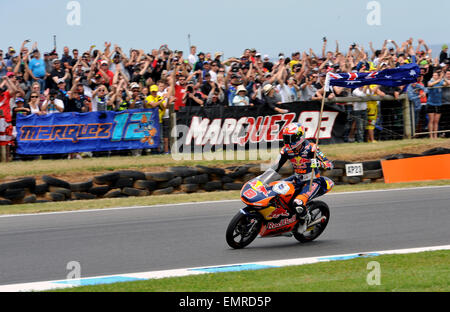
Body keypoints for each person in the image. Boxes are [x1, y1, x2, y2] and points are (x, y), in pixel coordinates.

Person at [269, 122, 334, 227]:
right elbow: (275, 167)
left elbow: (329, 164)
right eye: (286, 138)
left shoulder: (311, 148)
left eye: (291, 138)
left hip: (312, 181)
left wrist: (318, 163)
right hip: (297, 179)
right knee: (273, 189)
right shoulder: (286, 150)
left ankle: (306, 220)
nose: (288, 141)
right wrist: (266, 176)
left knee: (298, 202)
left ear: (299, 137)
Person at [427, 70, 448, 139]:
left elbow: (447, 84)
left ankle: (435, 136)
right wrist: (439, 79)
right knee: (431, 120)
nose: (434, 76)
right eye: (433, 75)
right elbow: (430, 85)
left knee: (436, 121)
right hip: (431, 103)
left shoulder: (440, 82)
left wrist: (443, 78)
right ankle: (431, 135)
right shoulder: (430, 81)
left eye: (436, 75)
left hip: (439, 104)